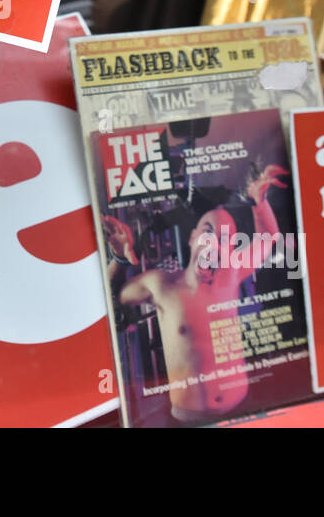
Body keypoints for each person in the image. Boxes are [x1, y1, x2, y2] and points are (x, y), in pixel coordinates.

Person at [118, 164, 288, 422]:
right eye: (208, 233)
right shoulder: (160, 284)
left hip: (241, 406)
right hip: (188, 418)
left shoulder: (232, 273)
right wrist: (119, 256)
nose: (213, 244)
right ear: (192, 237)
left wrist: (259, 201)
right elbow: (115, 298)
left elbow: (269, 237)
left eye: (224, 239)